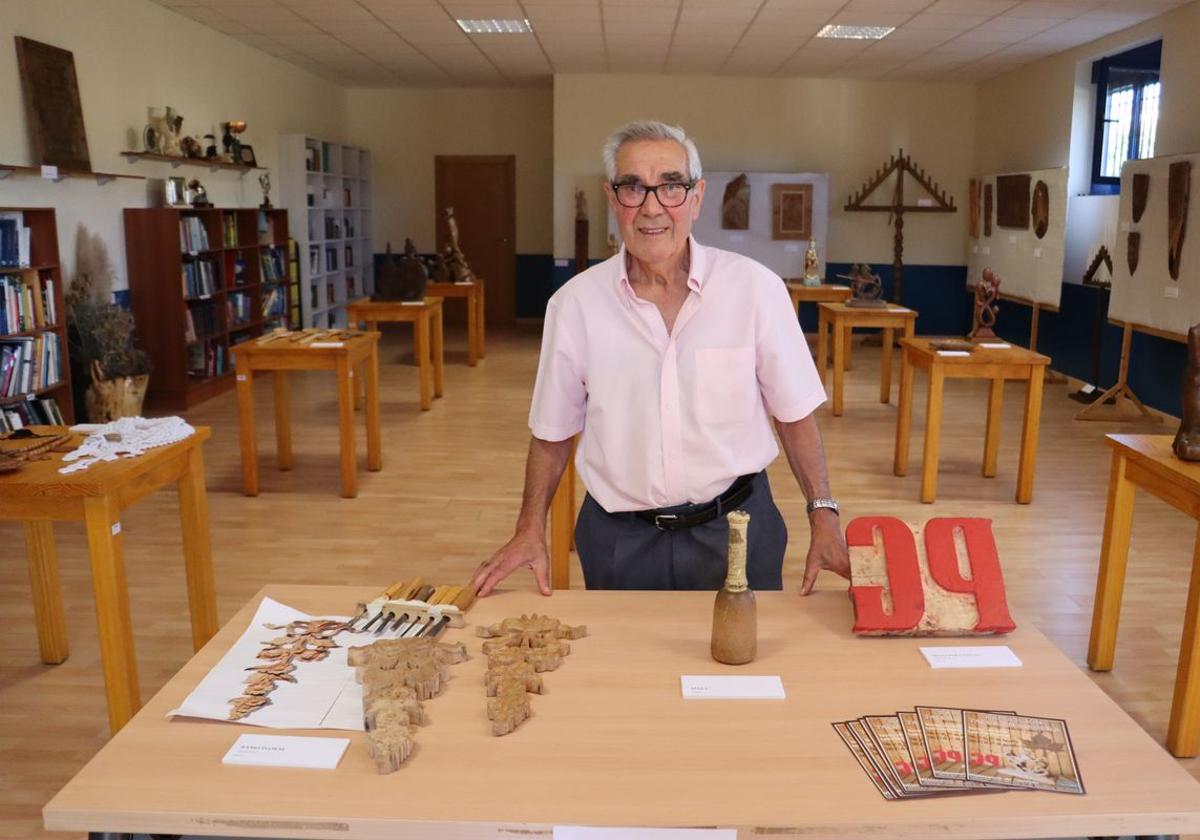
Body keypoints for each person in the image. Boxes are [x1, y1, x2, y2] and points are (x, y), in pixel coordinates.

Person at [471, 120, 849, 597]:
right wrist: (529, 528)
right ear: (613, 198)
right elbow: (552, 432)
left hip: (738, 531)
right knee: (627, 671)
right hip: (619, 539)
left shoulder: (755, 290)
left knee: (743, 669)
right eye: (633, 187)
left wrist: (824, 514)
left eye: (670, 186)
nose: (652, 207)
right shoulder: (574, 306)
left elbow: (795, 416)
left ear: (696, 196)